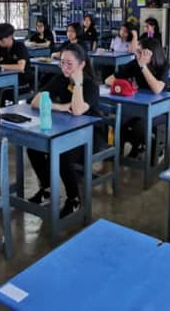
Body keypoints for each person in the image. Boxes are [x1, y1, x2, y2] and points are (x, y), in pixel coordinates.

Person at [27, 43, 106, 217]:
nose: (65, 67)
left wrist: (77, 83)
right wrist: (61, 107)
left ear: (82, 64)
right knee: (33, 147)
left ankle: (74, 199)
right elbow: (36, 101)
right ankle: (47, 188)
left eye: (70, 64)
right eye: (62, 63)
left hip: (91, 134)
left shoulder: (90, 85)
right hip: (67, 128)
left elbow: (77, 110)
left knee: (63, 153)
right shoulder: (60, 79)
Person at [105, 38, 169, 162]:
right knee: (119, 121)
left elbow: (157, 89)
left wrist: (143, 66)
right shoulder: (135, 63)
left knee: (139, 126)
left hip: (160, 109)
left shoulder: (163, 65)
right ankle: (121, 155)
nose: (137, 54)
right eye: (137, 51)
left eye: (140, 52)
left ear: (150, 53)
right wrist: (127, 84)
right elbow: (109, 80)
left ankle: (150, 147)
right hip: (139, 106)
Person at [0, 23, 31, 104]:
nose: (0, 43)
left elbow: (20, 67)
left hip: (22, 82)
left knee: (0, 91)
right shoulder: (1, 47)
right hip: (5, 80)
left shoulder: (19, 47)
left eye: (2, 40)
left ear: (10, 37)